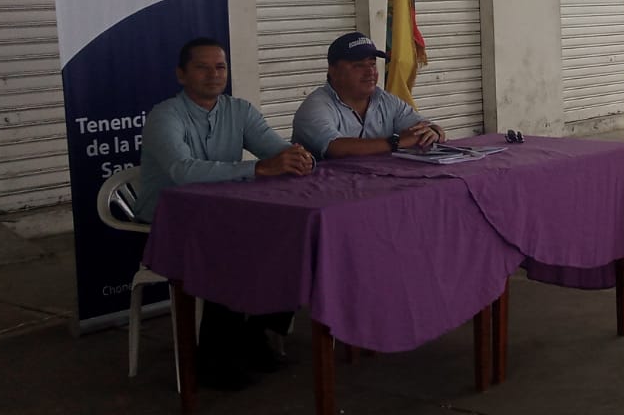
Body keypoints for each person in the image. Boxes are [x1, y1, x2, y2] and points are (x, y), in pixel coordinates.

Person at [135, 38, 314, 390]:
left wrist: (297, 157)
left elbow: (274, 148)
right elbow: (183, 171)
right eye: (202, 67)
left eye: (220, 67)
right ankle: (214, 360)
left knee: (292, 241)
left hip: (223, 212)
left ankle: (255, 334)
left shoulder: (239, 110)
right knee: (228, 254)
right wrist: (258, 169)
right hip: (168, 219)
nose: (214, 75)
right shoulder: (165, 116)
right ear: (181, 74)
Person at [291, 32, 446, 159]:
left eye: (372, 64)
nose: (370, 71)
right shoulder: (315, 106)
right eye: (358, 65)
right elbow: (336, 147)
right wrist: (396, 142)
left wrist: (434, 131)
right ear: (333, 71)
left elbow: (422, 127)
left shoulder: (385, 99)